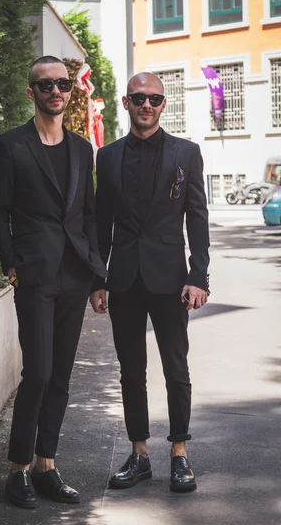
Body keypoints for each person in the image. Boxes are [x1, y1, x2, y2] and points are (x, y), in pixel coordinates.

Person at [0, 55, 107, 509]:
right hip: (35, 274)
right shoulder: (9, 145)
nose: (56, 91)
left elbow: (89, 216)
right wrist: (10, 262)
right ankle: (16, 470)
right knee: (37, 372)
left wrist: (97, 276)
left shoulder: (82, 149)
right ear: (31, 92)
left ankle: (46, 466)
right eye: (45, 85)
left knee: (59, 376)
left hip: (75, 274)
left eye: (63, 83)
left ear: (71, 90)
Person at [90, 72, 210, 493]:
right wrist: (97, 279)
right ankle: (139, 454)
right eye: (139, 98)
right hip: (123, 278)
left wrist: (199, 276)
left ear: (163, 105)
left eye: (155, 99)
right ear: (126, 103)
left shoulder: (186, 153)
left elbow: (196, 217)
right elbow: (100, 221)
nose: (147, 105)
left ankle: (179, 453)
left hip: (171, 279)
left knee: (176, 369)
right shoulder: (106, 157)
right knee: (131, 371)